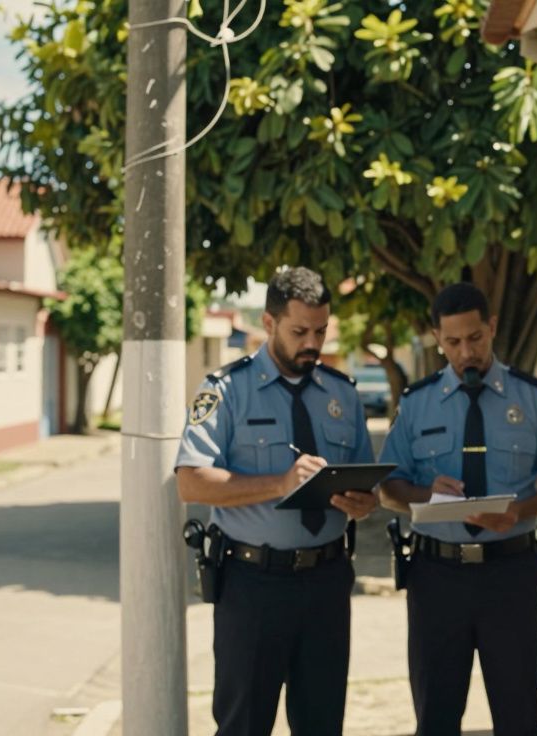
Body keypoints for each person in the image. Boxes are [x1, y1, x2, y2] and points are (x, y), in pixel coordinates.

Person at [175, 266, 379, 736]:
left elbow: (365, 482)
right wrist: (280, 482)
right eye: (300, 331)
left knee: (322, 722)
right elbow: (192, 482)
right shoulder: (225, 390)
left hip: (326, 582)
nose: (313, 343)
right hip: (253, 585)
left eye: (322, 331)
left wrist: (363, 503)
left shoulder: (343, 395)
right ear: (268, 324)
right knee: (244, 724)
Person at [378, 282, 537, 736]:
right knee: (436, 717)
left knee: (518, 716)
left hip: (510, 576)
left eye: (475, 338)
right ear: (437, 338)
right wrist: (425, 493)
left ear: (491, 327)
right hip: (437, 579)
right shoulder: (417, 403)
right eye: (453, 342)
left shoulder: (531, 398)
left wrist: (522, 509)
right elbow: (388, 490)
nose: (465, 351)